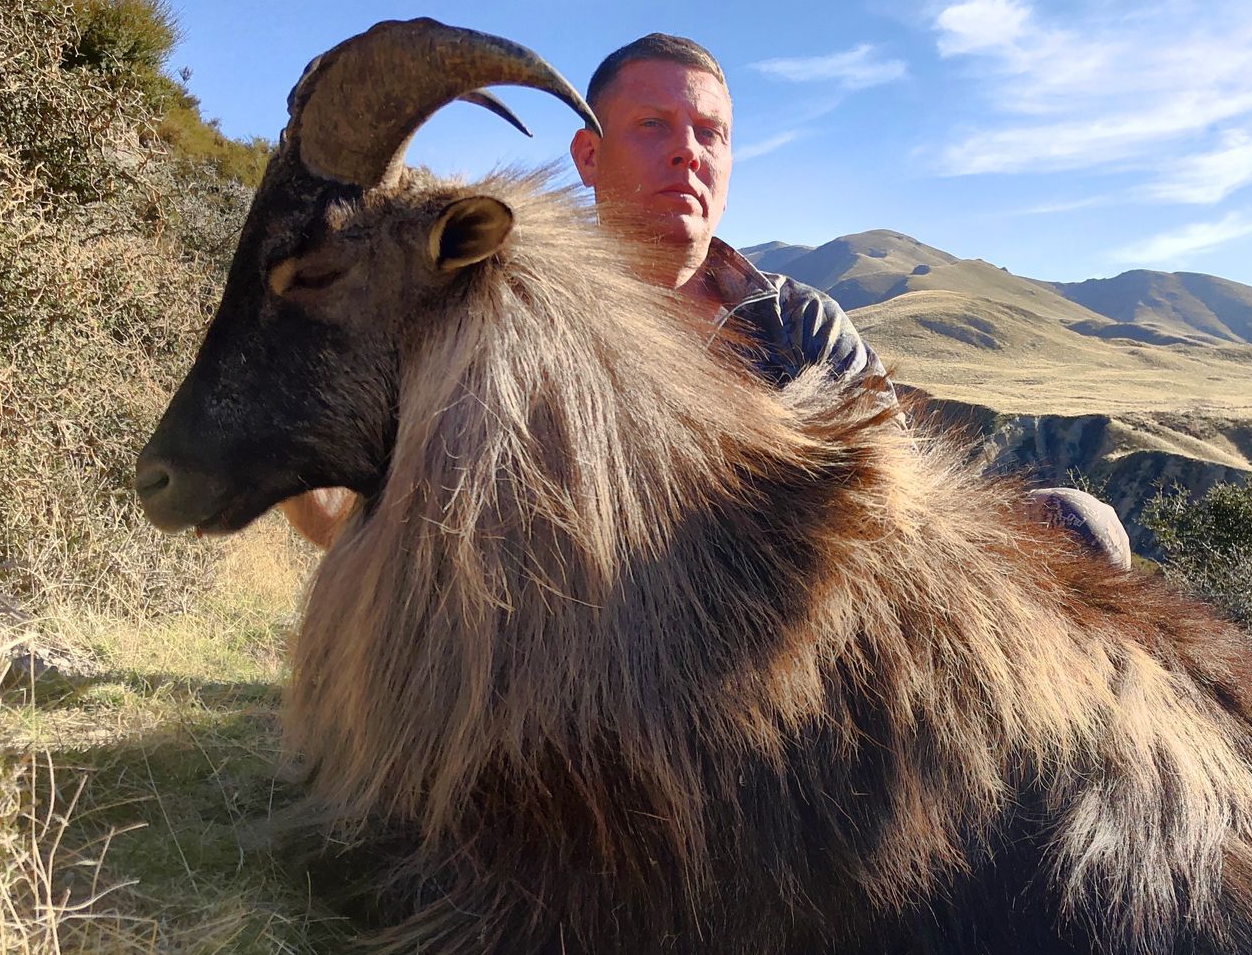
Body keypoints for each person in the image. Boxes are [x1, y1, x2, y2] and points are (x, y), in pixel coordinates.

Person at [281, 33, 1129, 569]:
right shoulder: (492, 321)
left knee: (1078, 528)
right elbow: (345, 514)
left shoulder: (798, 325)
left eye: (709, 133)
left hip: (794, 632)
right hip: (579, 639)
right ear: (587, 154)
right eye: (652, 126)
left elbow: (898, 512)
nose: (687, 153)